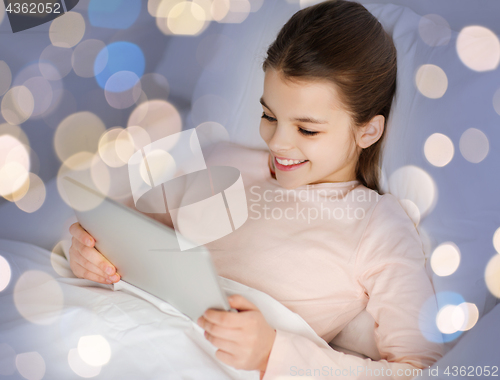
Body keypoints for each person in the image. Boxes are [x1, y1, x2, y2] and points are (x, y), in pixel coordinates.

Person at [68, 1, 444, 378]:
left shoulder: (377, 226)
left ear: (368, 131)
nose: (277, 142)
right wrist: (90, 254)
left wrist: (273, 353)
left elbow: (419, 369)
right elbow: (124, 230)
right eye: (269, 116)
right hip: (116, 325)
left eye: (307, 129)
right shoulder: (221, 160)